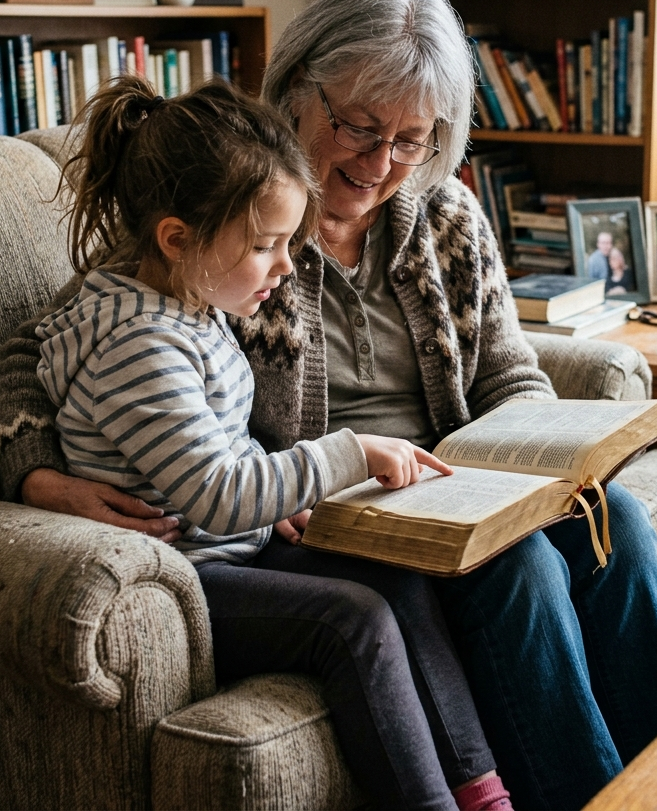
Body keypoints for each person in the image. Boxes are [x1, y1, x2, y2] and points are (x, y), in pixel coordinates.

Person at [0, 0, 657, 810]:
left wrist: (530, 459)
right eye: (359, 126)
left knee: (620, 518)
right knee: (523, 570)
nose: (380, 161)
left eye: (411, 140)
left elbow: (508, 374)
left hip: (444, 482)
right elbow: (37, 347)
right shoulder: (235, 219)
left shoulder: (448, 218)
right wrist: (36, 474)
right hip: (318, 512)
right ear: (296, 89)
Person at [34, 76, 514, 811]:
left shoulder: (191, 303)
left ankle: (481, 791)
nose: (288, 265)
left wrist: (280, 488)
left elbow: (219, 444)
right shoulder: (139, 344)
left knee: (398, 574)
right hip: (190, 576)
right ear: (176, 239)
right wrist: (346, 454)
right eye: (265, 245)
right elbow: (217, 494)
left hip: (231, 548)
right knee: (352, 621)